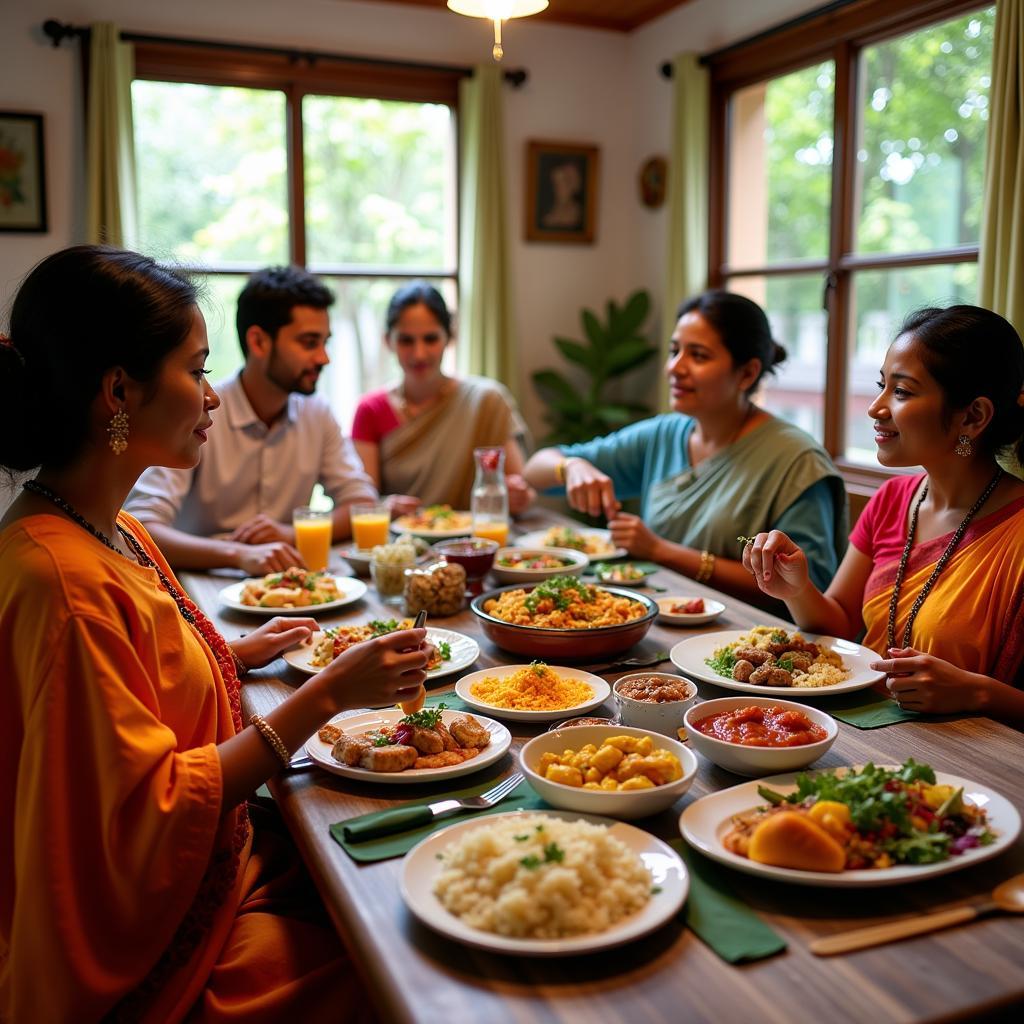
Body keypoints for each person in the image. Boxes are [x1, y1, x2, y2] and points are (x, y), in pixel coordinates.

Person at [0, 245, 429, 1022]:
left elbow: (122, 694)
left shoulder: (105, 527)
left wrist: (225, 653)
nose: (212, 399)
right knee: (401, 961)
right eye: (197, 372)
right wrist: (327, 695)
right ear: (118, 390)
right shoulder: (62, 582)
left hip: (223, 861)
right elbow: (148, 811)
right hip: (152, 948)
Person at [743, 305, 1024, 721]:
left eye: (902, 392)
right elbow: (837, 628)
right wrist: (796, 589)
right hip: (864, 731)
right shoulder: (893, 500)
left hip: (970, 761)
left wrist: (978, 693)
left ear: (973, 416)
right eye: (881, 386)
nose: (876, 407)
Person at [524, 290, 847, 607]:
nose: (675, 368)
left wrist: (660, 551)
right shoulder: (663, 434)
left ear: (747, 373)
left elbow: (808, 588)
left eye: (698, 356)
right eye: (674, 350)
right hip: (661, 617)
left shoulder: (796, 460)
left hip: (752, 640)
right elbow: (535, 472)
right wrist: (572, 466)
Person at [126, 266, 382, 573]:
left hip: (288, 588)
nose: (323, 358)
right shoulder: (196, 411)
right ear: (259, 342)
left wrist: (291, 534)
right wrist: (236, 554)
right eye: (309, 342)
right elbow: (141, 529)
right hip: (202, 592)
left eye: (324, 342)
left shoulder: (317, 414)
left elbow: (363, 505)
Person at [351, 282, 535, 513]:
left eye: (430, 339)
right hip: (400, 544)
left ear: (450, 336)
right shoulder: (371, 409)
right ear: (388, 341)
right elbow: (363, 504)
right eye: (406, 340)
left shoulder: (486, 401)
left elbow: (519, 487)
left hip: (474, 542)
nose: (419, 353)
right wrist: (385, 506)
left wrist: (518, 494)